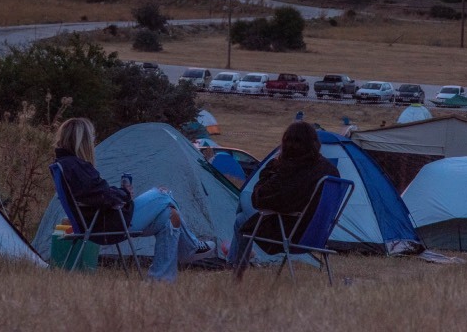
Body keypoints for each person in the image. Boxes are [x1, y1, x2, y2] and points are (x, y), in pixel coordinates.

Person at [53, 117, 215, 282]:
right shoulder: (76, 167)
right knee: (163, 194)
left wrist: (120, 192)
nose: (94, 142)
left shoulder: (66, 165)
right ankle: (191, 248)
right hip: (109, 223)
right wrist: (124, 194)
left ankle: (160, 281)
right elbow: (103, 197)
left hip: (100, 222)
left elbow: (97, 193)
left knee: (170, 216)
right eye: (92, 138)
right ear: (83, 141)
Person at [227, 121, 340, 268]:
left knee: (243, 201)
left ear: (287, 144)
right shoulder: (329, 170)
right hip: (316, 235)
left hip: (288, 233)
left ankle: (234, 265)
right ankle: (235, 263)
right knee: (242, 219)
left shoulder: (291, 170)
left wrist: (269, 170)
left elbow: (261, 200)